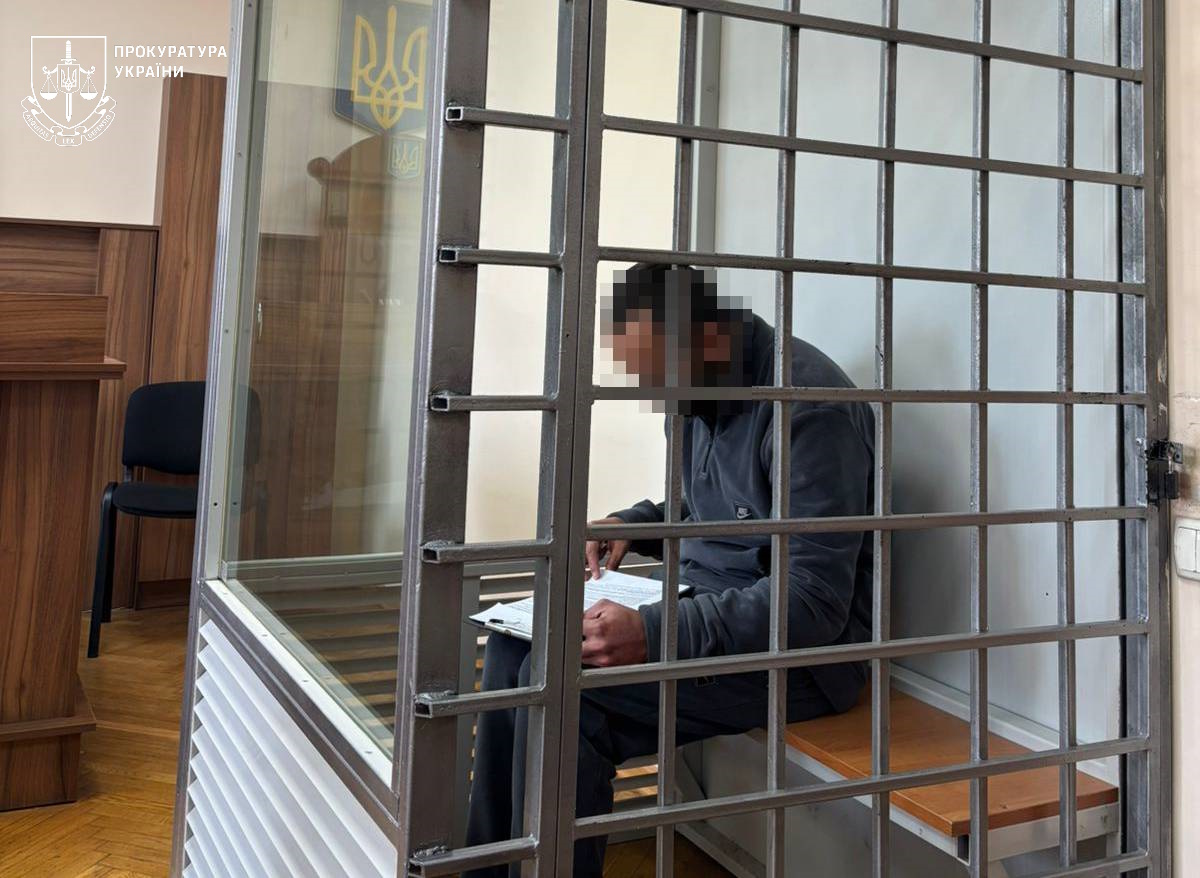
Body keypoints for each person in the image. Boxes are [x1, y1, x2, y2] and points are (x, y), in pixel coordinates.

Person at [465, 263, 875, 877]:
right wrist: (636, 522)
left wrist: (653, 633)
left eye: (654, 372)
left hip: (804, 659)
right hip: (710, 604)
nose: (649, 391)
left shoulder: (809, 406)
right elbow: (710, 508)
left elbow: (812, 603)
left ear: (709, 337)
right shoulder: (700, 391)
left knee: (565, 692)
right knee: (511, 649)